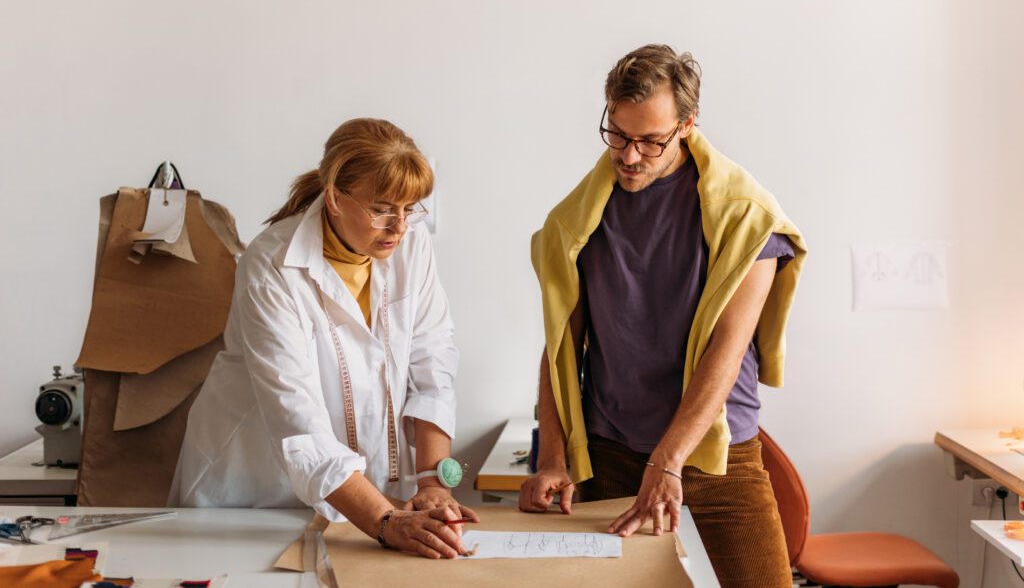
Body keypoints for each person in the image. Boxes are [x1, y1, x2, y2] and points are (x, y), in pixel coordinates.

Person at [519, 45, 807, 586]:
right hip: (612, 456)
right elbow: (560, 348)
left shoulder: (747, 218)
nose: (630, 156)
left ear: (687, 125)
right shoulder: (574, 224)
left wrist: (668, 460)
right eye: (619, 136)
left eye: (652, 141)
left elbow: (727, 351)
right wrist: (552, 458)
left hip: (717, 458)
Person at [170, 118, 477, 560]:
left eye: (410, 209)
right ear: (334, 196)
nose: (399, 227)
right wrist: (386, 522)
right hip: (255, 500)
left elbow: (433, 365)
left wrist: (431, 481)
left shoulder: (410, 248)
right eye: (383, 209)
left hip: (364, 504)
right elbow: (299, 424)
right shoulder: (271, 266)